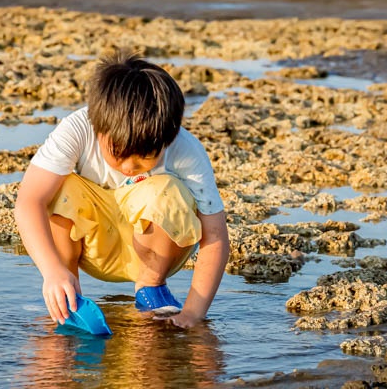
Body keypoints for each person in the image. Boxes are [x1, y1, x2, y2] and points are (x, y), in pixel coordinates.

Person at [14, 49, 230, 329]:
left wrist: (193, 313)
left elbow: (215, 237)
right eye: (118, 153)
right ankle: (68, 295)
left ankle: (150, 287)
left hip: (159, 251)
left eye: (145, 157)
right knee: (58, 188)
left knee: (166, 190)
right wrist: (51, 270)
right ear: (98, 126)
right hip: (95, 247)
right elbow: (28, 202)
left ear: (169, 136)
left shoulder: (185, 149)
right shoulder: (77, 129)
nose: (129, 166)